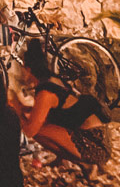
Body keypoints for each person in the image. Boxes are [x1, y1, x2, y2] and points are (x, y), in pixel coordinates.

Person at [9, 38, 111, 174]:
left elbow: (30, 131)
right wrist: (20, 108)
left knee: (39, 131)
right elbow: (42, 113)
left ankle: (84, 162)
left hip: (96, 146)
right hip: (100, 141)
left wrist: (15, 109)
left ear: (28, 69)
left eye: (23, 69)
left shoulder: (45, 93)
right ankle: (72, 161)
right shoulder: (52, 81)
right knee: (44, 123)